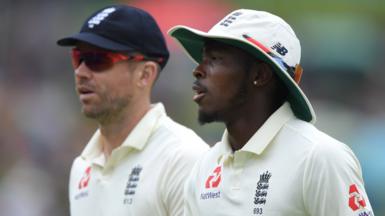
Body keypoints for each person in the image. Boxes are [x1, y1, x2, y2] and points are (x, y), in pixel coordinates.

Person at [168, 9, 374, 215]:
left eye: (215, 59)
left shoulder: (320, 157)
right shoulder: (205, 166)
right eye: (202, 59)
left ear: (260, 75)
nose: (198, 70)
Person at [57, 5, 208, 216]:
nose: (81, 72)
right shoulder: (82, 167)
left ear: (145, 74)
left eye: (97, 59)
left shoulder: (183, 159)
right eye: (78, 58)